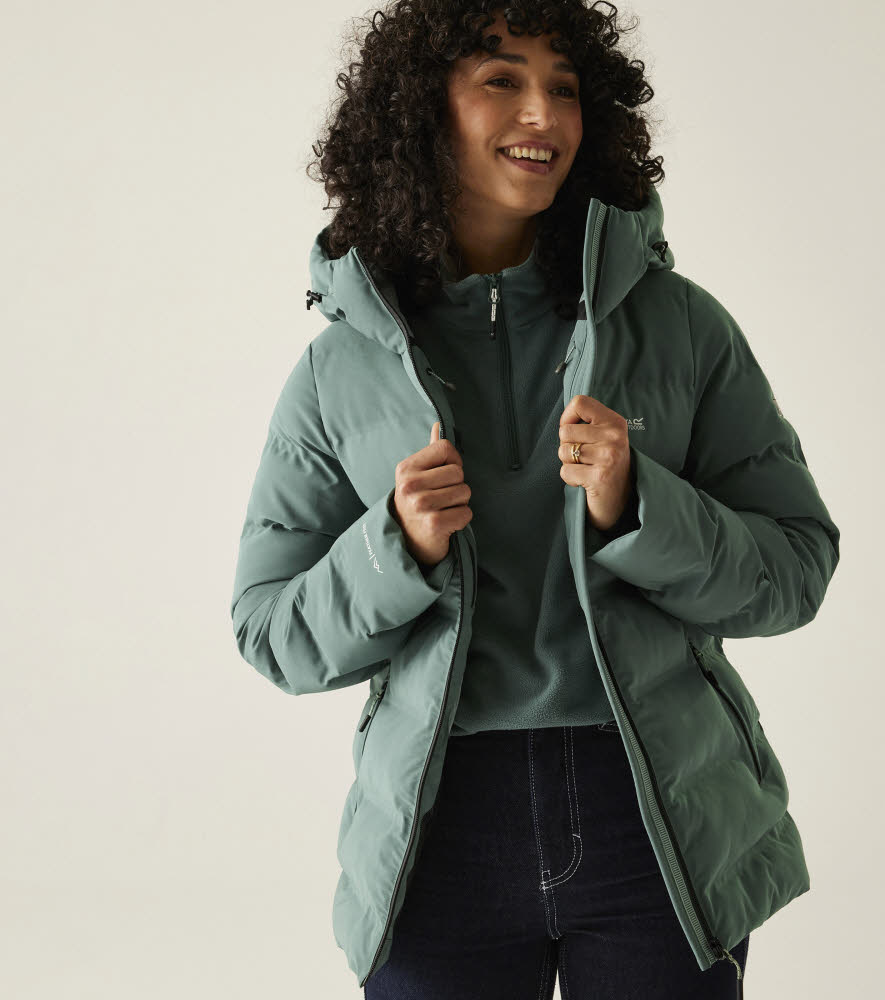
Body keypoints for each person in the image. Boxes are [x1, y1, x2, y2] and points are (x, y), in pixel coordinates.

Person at [229, 1, 841, 997]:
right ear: (421, 109)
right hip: (438, 828)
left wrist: (640, 507)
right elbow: (271, 632)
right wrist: (395, 547)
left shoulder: (683, 328)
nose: (542, 114)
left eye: (564, 86)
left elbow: (795, 569)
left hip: (655, 816)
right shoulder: (337, 371)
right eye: (501, 80)